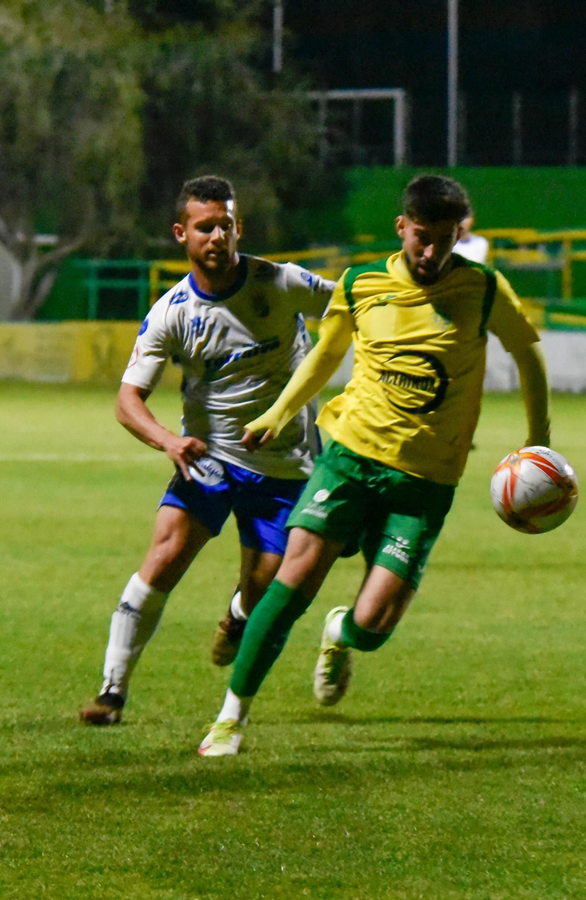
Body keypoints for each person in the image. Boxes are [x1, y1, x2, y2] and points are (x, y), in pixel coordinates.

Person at [196, 174, 552, 757]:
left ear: (459, 235)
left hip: (426, 482)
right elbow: (327, 354)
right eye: (422, 238)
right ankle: (230, 719)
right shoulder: (363, 284)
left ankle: (341, 635)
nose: (432, 252)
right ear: (402, 227)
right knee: (292, 582)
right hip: (351, 459)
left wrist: (538, 441)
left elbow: (527, 352)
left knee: (375, 624)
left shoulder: (483, 288)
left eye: (445, 240)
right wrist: (280, 412)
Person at [78, 176, 336, 726]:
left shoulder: (281, 282)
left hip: (285, 464)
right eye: (205, 227)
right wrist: (169, 441)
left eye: (226, 225)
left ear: (238, 227)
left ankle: (239, 614)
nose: (217, 235)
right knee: (164, 557)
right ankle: (111, 691)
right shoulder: (172, 312)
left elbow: (352, 304)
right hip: (209, 457)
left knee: (263, 586)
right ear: (181, 234)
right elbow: (128, 401)